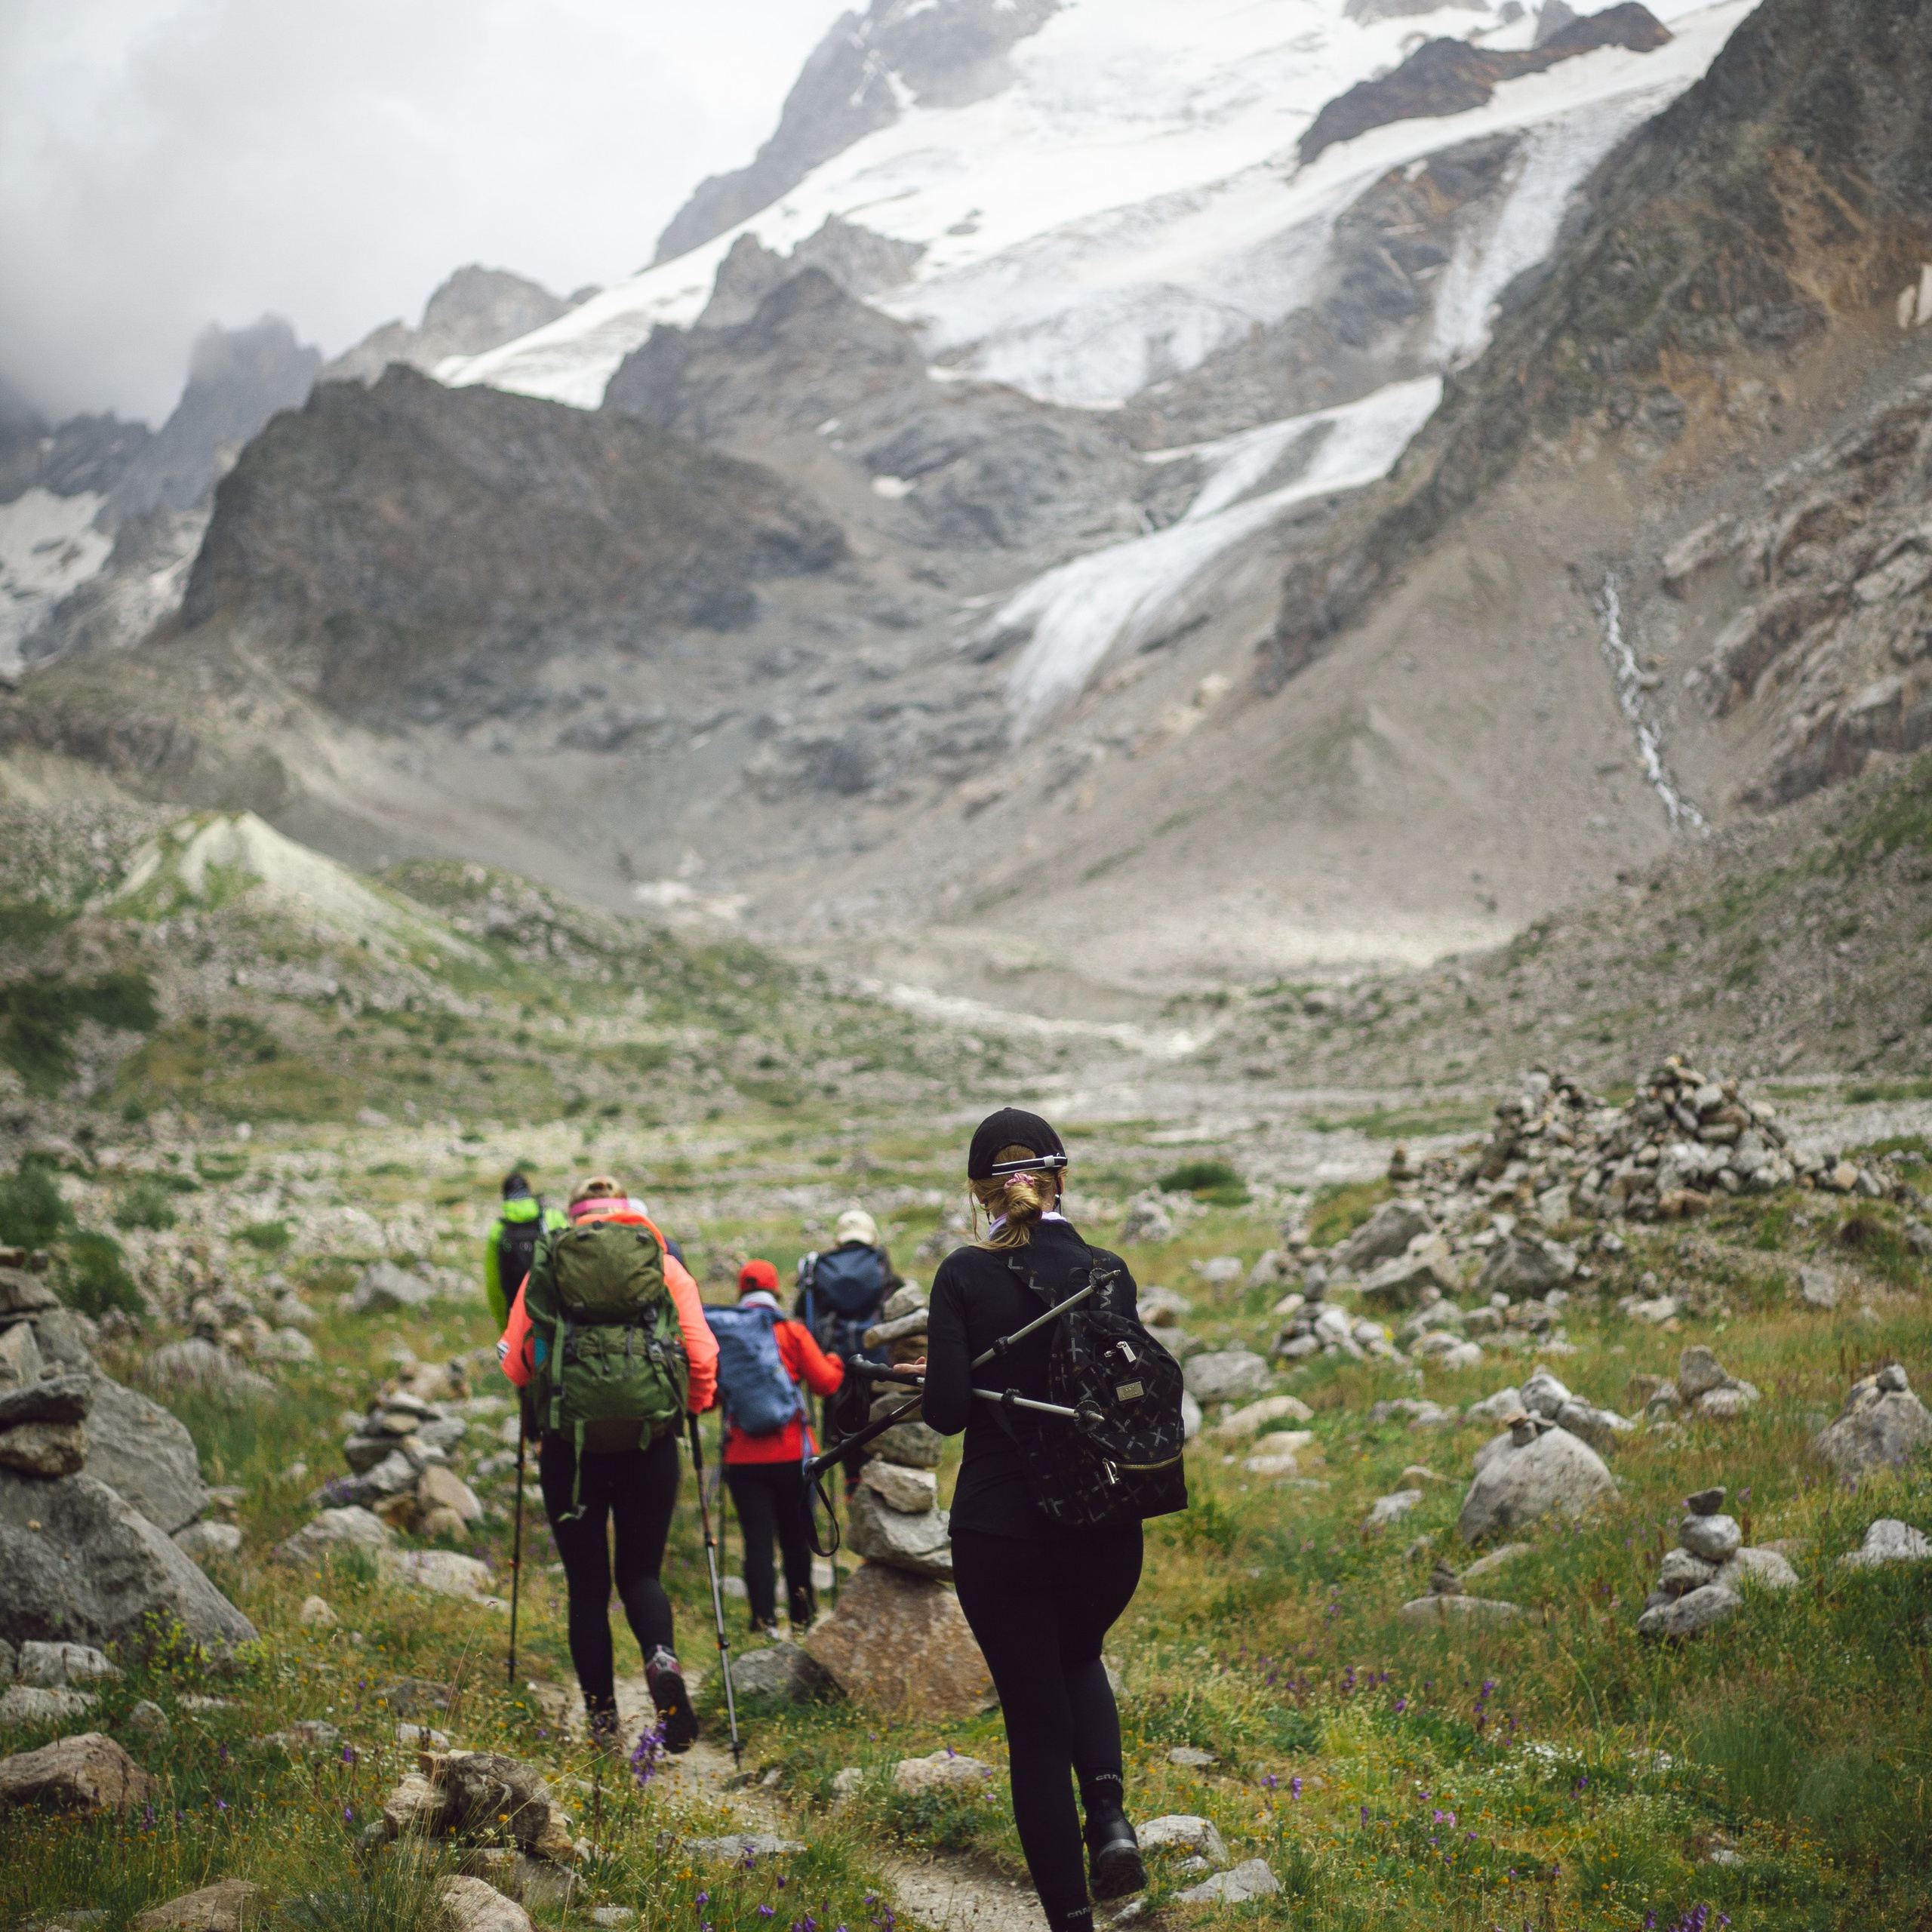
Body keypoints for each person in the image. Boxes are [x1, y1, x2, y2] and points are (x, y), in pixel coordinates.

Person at [918, 1109, 1152, 1932]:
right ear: (1062, 1179)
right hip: (1104, 1523)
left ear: (981, 1191)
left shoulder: (961, 1275)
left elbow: (947, 1413)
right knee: (1081, 1651)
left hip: (1001, 1529)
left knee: (1033, 1728)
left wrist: (941, 1364)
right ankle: (1112, 1819)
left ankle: (1072, 1921)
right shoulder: (1107, 1269)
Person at [498, 1175, 718, 1752]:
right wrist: (686, 1411)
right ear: (629, 1211)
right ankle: (661, 1660)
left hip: (570, 1448)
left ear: (575, 1217)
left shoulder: (548, 1268)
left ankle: (602, 1726)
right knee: (642, 1574)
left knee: (588, 1588)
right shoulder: (664, 1266)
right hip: (652, 1442)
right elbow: (703, 1355)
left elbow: (516, 1366)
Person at [710, 1259, 844, 1637]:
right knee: (797, 1538)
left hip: (742, 1456)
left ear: (740, 1291)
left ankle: (763, 1622)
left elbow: (710, 1397)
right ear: (775, 1291)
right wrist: (834, 1359)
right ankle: (802, 1620)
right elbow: (826, 1384)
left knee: (757, 1542)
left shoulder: (726, 1334)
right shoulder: (792, 1331)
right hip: (794, 1456)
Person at [482, 1172, 565, 1331]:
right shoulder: (553, 1218)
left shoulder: (499, 1230)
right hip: (554, 1315)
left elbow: (494, 1284)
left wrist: (504, 1325)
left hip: (517, 1318)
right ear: (529, 1192)